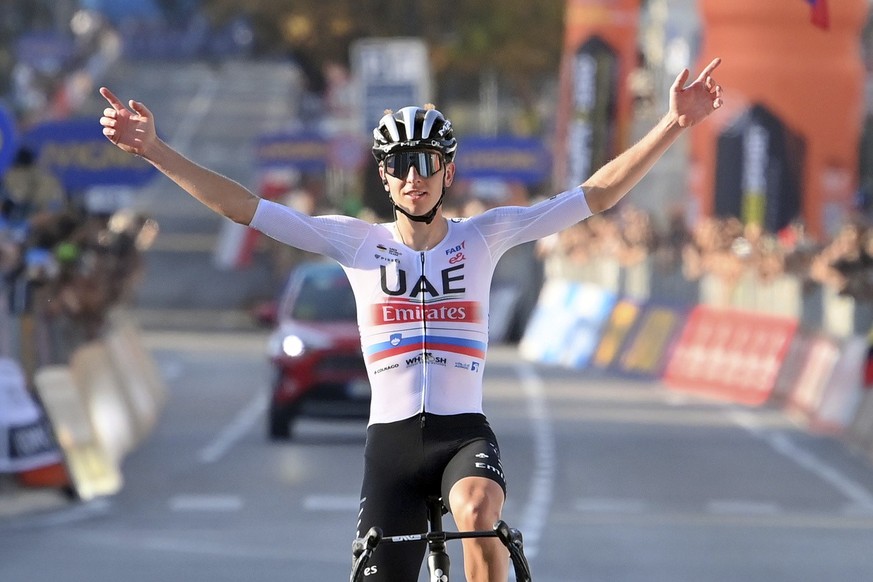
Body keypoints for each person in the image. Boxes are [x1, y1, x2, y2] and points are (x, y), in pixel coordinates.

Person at [98, 57, 723, 582]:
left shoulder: (487, 235)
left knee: (479, 509)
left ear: (448, 172)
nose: (414, 177)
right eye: (400, 165)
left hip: (462, 433)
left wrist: (671, 122)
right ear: (384, 176)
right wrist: (154, 150)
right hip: (391, 444)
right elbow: (244, 207)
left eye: (427, 163)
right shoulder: (355, 243)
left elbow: (596, 195)